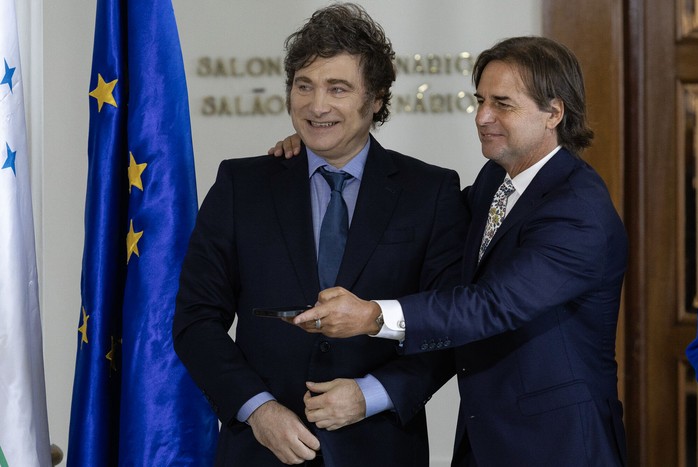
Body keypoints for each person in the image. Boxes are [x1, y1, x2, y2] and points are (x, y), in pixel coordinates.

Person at [289, 36, 629, 466]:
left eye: (503, 103)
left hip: (557, 447)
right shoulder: (496, 178)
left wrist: (374, 316)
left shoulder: (579, 210)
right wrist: (324, 150)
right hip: (486, 440)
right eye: (480, 100)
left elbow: (491, 306)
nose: (483, 116)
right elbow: (417, 221)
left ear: (554, 113)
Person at [172, 3, 466, 466]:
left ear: (375, 98)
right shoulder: (240, 185)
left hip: (381, 449)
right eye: (303, 86)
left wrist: (373, 395)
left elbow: (448, 324)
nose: (317, 105)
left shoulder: (431, 192)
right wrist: (259, 410)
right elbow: (195, 320)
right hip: (260, 450)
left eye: (338, 88)